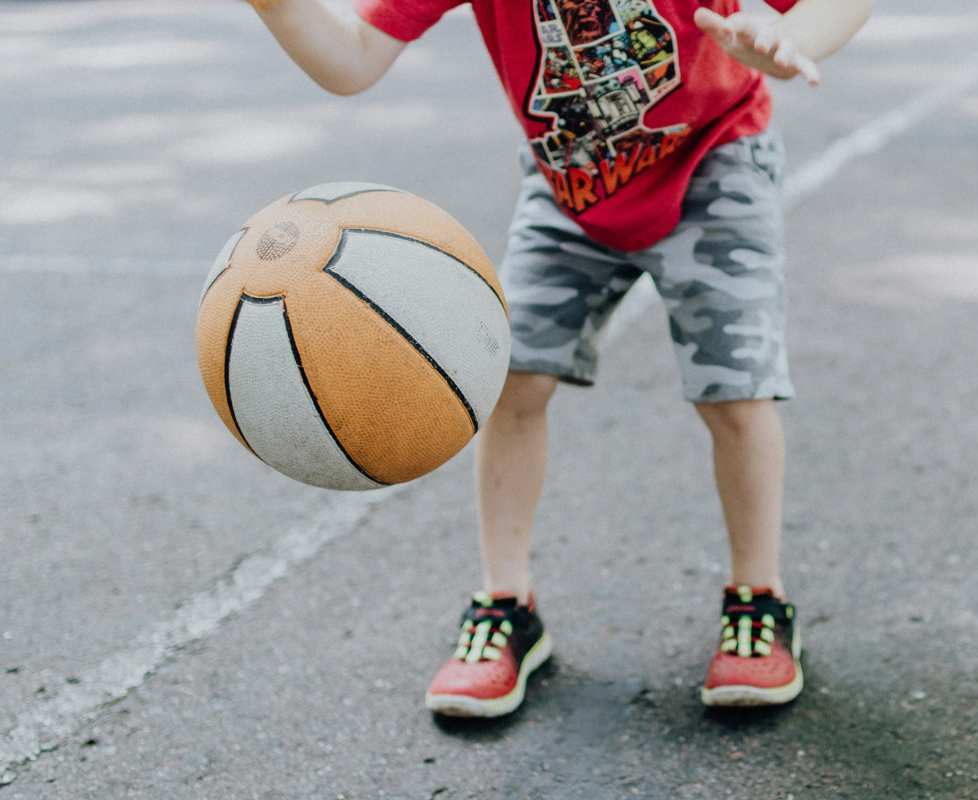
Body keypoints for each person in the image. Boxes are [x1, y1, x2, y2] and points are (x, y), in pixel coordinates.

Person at [246, 0, 871, 715]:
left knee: (734, 388)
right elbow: (352, 57)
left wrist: (788, 38)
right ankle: (506, 604)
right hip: (572, 183)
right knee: (511, 378)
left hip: (714, 159)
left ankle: (759, 600)